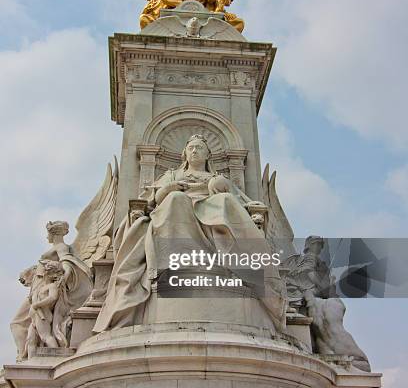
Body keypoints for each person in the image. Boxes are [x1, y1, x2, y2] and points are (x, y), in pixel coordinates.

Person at [94, 134, 286, 333]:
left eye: (200, 148)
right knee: (177, 199)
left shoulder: (216, 178)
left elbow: (239, 200)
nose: (195, 151)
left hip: (211, 207)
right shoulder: (172, 175)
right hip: (178, 209)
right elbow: (154, 199)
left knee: (226, 201)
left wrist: (232, 194)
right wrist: (168, 188)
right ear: (184, 153)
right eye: (191, 147)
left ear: (208, 155)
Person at [10, 221, 92, 360]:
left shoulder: (61, 247)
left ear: (52, 233)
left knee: (18, 323)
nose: (47, 236)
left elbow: (67, 262)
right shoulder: (57, 247)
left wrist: (64, 278)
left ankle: (25, 356)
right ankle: (23, 355)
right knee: (21, 324)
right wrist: (29, 273)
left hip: (43, 289)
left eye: (48, 233)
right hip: (38, 287)